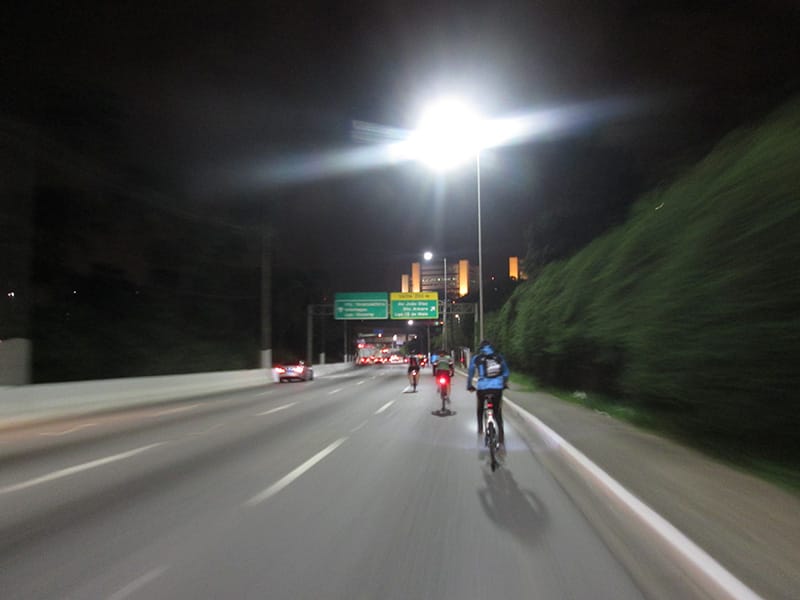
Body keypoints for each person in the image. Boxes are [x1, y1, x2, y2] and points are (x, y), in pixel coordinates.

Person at [467, 340, 510, 446]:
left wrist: (469, 385)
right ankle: (501, 435)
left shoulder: (476, 358)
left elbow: (470, 373)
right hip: (497, 388)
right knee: (497, 412)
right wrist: (504, 383)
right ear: (491, 347)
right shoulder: (498, 357)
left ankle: (480, 427)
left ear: (481, 348)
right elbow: (506, 373)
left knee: (480, 407)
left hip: (482, 388)